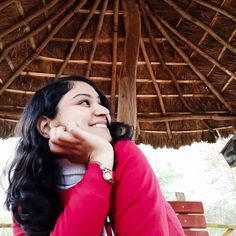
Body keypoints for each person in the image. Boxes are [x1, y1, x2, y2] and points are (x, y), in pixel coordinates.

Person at [5, 75, 184, 236]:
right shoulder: (27, 184)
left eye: (102, 104)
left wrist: (101, 159)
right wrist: (100, 160)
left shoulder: (125, 154)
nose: (104, 112)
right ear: (46, 126)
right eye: (84, 102)